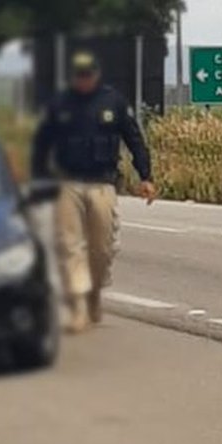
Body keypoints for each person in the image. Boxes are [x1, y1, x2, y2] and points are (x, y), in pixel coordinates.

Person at [32, 51, 156, 333]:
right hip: (67, 184)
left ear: (96, 75)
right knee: (70, 245)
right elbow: (42, 145)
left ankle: (93, 293)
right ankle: (77, 306)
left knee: (101, 247)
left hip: (102, 182)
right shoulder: (60, 104)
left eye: (88, 75)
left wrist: (146, 176)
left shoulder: (113, 102)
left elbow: (134, 139)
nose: (83, 80)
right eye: (79, 75)